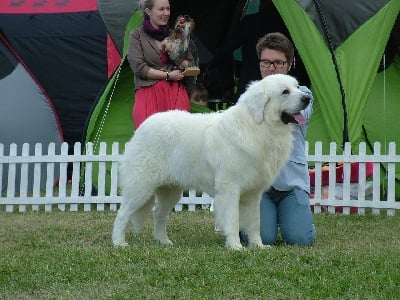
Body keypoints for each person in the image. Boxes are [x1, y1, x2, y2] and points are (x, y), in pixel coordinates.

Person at [240, 32, 315, 246]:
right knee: (264, 239)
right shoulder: (250, 96)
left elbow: (294, 116)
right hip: (257, 185)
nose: (271, 68)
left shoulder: (303, 95)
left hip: (291, 184)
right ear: (259, 64)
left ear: (289, 65)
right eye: (266, 62)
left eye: (278, 63)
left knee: (300, 240)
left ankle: (299, 218)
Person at [206, 0, 309, 101]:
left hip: (250, 89)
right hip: (283, 91)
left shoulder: (250, 22)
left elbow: (225, 50)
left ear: (263, 3)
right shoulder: (293, 26)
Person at [127, 0, 194, 129]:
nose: (166, 13)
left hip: (176, 93)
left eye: (168, 9)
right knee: (148, 139)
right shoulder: (137, 35)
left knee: (179, 138)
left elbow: (191, 65)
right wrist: (168, 75)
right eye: (161, 9)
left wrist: (175, 54)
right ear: (148, 11)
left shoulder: (175, 35)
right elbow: (139, 68)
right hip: (148, 93)